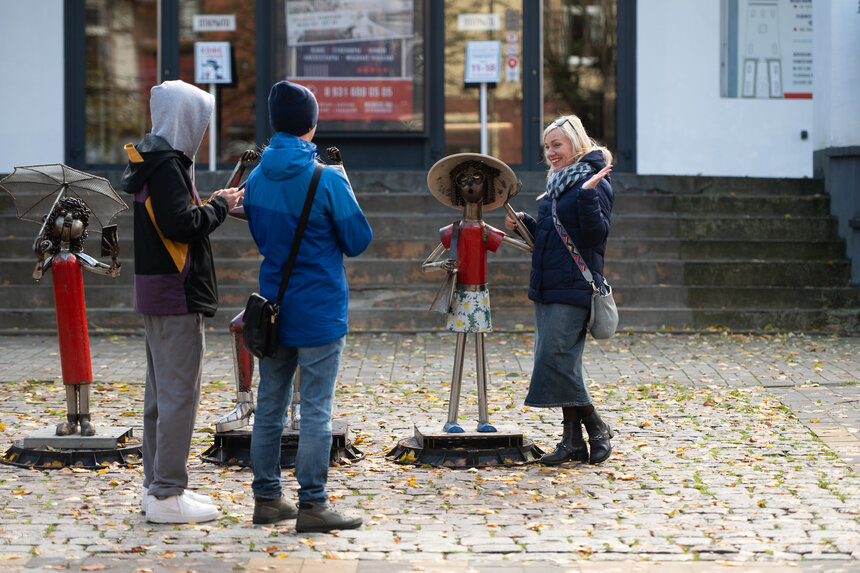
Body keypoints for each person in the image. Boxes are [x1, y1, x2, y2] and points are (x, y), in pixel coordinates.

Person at [244, 81, 372, 531]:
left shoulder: (255, 178)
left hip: (274, 308)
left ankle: (267, 500)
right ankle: (313, 506)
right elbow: (358, 241)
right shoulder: (326, 177)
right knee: (316, 409)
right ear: (312, 126)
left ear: (275, 124)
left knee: (269, 405)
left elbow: (261, 238)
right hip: (319, 307)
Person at [120, 79, 244, 523]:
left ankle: (156, 487)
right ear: (187, 119)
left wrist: (211, 203)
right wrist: (221, 208)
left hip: (155, 291)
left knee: (160, 395)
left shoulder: (150, 161)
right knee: (177, 397)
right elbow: (181, 225)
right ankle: (169, 493)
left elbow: (173, 220)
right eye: (201, 120)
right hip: (175, 293)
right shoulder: (168, 165)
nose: (203, 130)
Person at [505, 114, 615, 465]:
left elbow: (595, 238)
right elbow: (552, 240)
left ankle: (596, 427)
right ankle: (572, 443)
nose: (551, 152)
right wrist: (527, 224)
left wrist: (585, 195)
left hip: (574, 287)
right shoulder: (556, 182)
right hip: (549, 285)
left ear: (576, 144)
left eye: (557, 145)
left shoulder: (592, 181)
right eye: (547, 146)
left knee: (556, 360)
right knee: (561, 362)